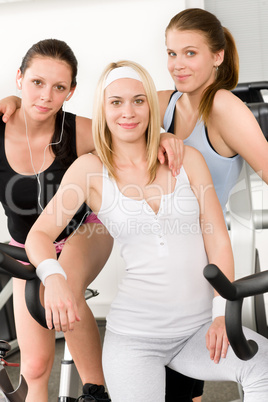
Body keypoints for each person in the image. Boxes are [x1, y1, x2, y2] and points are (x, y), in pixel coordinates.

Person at [25, 60, 268, 402]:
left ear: (151, 107)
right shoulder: (90, 170)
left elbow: (217, 238)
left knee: (264, 370)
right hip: (135, 337)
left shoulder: (188, 161)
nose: (128, 112)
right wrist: (53, 276)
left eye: (139, 100)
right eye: (116, 102)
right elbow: (39, 235)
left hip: (198, 329)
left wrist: (219, 314)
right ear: (103, 109)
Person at [0, 40, 181, 402]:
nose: (46, 96)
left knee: (63, 281)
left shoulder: (79, 131)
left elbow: (129, 128)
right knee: (34, 369)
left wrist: (164, 135)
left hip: (87, 230)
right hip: (27, 246)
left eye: (59, 87)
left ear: (72, 91)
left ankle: (95, 391)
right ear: (19, 78)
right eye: (36, 82)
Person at [157, 8, 268, 401]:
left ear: (217, 56)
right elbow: (100, 121)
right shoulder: (165, 103)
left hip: (203, 262)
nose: (177, 65)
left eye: (190, 53)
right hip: (161, 262)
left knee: (181, 384)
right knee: (172, 382)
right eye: (171, 53)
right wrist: (17, 106)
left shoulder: (222, 107)